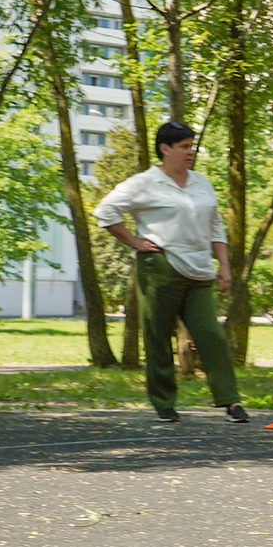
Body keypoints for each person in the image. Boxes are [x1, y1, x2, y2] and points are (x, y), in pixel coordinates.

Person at [94, 121, 248, 426]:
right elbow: (105, 211)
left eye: (192, 146)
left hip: (200, 270)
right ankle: (164, 404)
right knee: (157, 337)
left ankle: (231, 401)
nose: (191, 152)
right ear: (165, 149)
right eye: (184, 147)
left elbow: (215, 226)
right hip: (160, 268)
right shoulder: (143, 183)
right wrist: (134, 241)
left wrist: (224, 266)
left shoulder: (201, 182)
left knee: (212, 336)